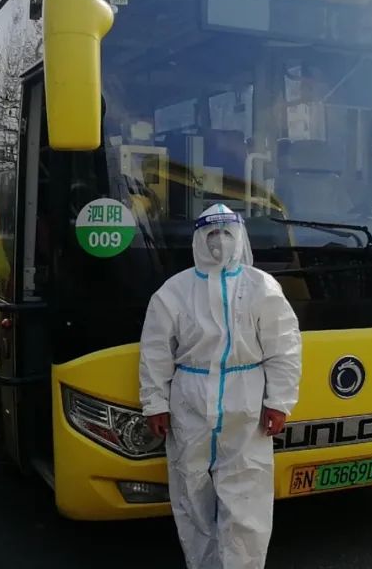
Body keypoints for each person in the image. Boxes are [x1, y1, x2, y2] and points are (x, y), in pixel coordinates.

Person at [139, 204, 302, 569]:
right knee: (190, 492)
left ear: (240, 237)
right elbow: (155, 350)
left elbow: (284, 348)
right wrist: (155, 403)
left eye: (228, 233)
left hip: (245, 403)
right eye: (212, 233)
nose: (220, 241)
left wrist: (279, 402)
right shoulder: (175, 291)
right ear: (198, 239)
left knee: (247, 494)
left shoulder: (261, 287)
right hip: (190, 401)